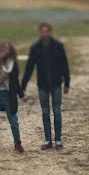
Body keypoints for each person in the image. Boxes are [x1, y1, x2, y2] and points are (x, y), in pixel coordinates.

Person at [21, 22, 71, 150]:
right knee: (45, 112)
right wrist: (23, 85)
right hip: (42, 85)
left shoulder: (58, 46)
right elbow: (29, 67)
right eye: (42, 31)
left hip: (56, 84)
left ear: (50, 32)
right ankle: (48, 140)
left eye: (46, 31)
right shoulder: (35, 48)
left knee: (57, 111)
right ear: (40, 33)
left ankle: (58, 140)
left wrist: (67, 83)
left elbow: (65, 64)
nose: (44, 33)